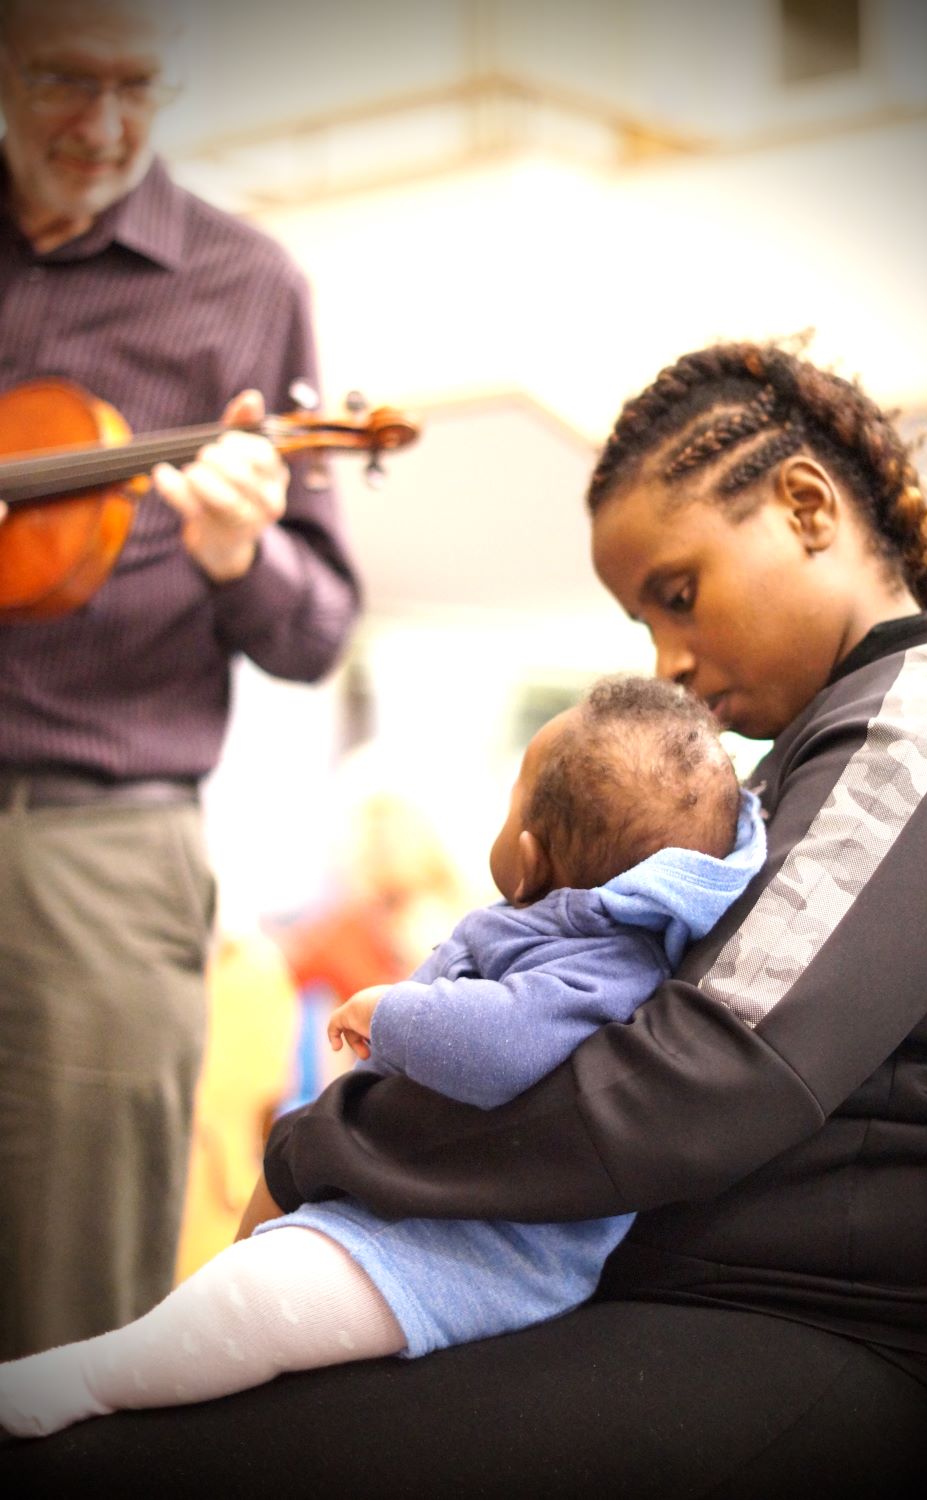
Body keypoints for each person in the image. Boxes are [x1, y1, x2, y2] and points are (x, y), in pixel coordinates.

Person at [4, 339, 927, 1500]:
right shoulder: (813, 748)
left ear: (807, 506)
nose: (670, 661)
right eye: (643, 621)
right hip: (675, 1296)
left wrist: (331, 1144)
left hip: (830, 1332)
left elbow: (702, 1077)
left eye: (678, 595)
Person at [0, 674, 766, 1437]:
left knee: (254, 1302)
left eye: (510, 803)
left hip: (468, 1254)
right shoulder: (566, 935)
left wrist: (392, 1011)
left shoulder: (606, 959)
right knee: (245, 1285)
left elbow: (502, 1044)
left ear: (529, 858)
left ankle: (84, 1385)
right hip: (413, 1214)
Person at [0, 0, 358, 1361]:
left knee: (66, 1307)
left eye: (137, 86)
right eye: (62, 81)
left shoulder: (243, 284)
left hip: (89, 850)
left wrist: (235, 557)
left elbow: (317, 631)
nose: (102, 125)